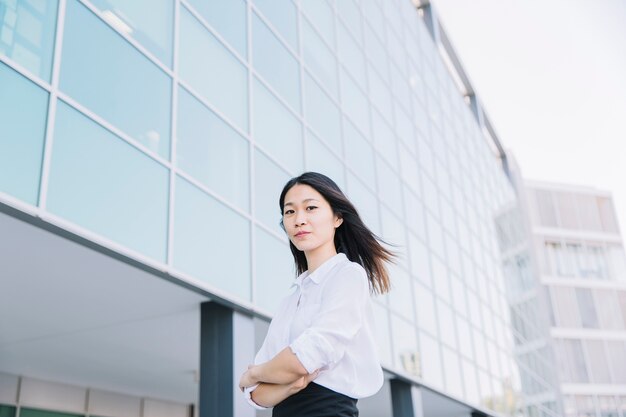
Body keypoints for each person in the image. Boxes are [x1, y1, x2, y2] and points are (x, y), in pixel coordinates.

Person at [238, 172, 396, 417]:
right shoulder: (291, 299)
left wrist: (256, 372)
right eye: (289, 212)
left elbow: (306, 357)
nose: (299, 219)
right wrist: (289, 382)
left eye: (310, 208)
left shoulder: (348, 275)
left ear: (337, 218)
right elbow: (254, 394)